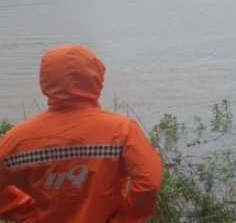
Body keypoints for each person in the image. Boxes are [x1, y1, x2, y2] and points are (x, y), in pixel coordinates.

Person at [0, 45, 163, 223]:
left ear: (45, 80)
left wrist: (27, 212)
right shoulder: (121, 130)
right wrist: (125, 218)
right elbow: (150, 181)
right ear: (96, 78)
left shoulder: (18, 138)